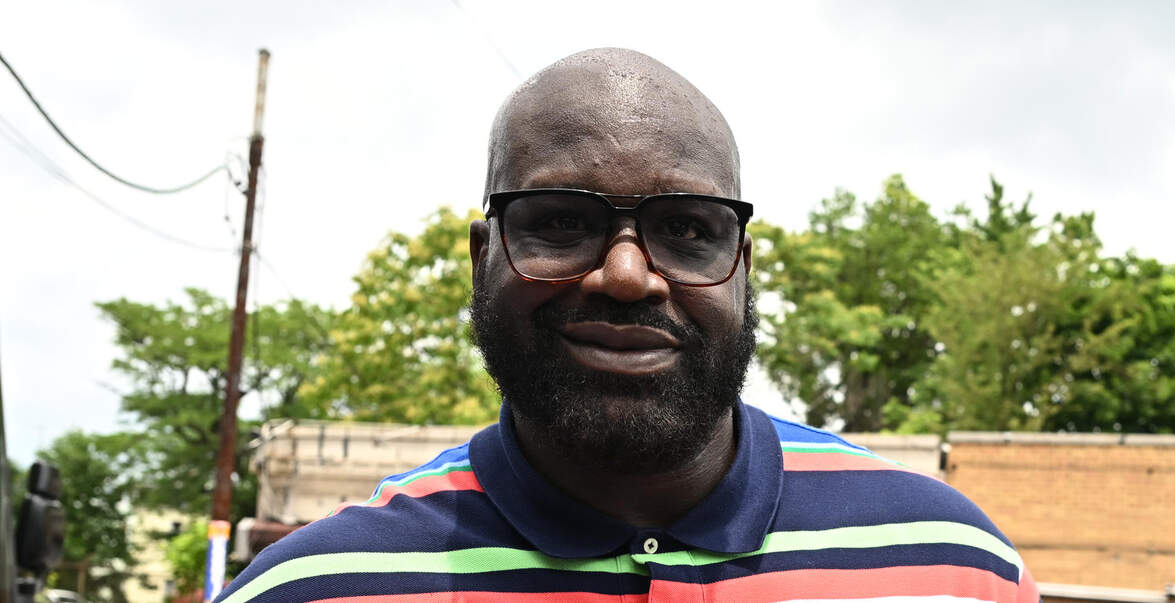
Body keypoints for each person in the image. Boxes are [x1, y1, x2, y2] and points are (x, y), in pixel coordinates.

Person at [216, 48, 1040, 602]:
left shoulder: (952, 567)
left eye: (686, 228)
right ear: (483, 258)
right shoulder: (316, 588)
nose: (625, 275)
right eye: (560, 220)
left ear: (742, 266)